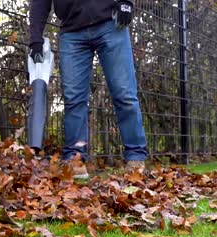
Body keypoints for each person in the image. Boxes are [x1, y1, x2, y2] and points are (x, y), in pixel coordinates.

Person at [29, 0, 148, 179]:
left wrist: (126, 2)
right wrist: (35, 38)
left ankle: (136, 158)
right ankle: (75, 159)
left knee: (125, 94)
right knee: (73, 99)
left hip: (110, 23)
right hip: (71, 32)